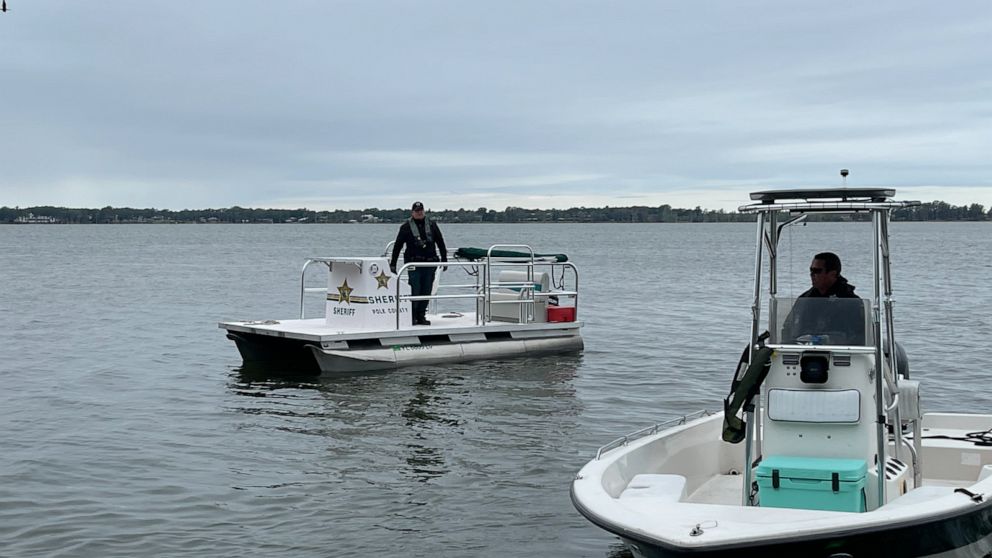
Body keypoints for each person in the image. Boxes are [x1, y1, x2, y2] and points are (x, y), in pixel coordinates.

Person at [782, 252, 865, 344]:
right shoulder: (805, 299)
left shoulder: (851, 302)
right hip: (804, 351)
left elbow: (856, 336)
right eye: (811, 270)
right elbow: (788, 328)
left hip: (839, 354)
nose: (812, 274)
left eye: (817, 271)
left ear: (832, 274)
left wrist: (826, 339)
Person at [389, 201, 447, 326]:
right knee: (415, 289)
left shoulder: (432, 225)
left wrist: (444, 259)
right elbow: (397, 246)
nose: (419, 213)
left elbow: (440, 242)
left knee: (427, 290)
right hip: (414, 264)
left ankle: (421, 315)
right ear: (412, 212)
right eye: (417, 211)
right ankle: (412, 316)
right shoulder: (405, 227)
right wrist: (393, 264)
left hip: (429, 264)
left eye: (421, 210)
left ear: (424, 211)